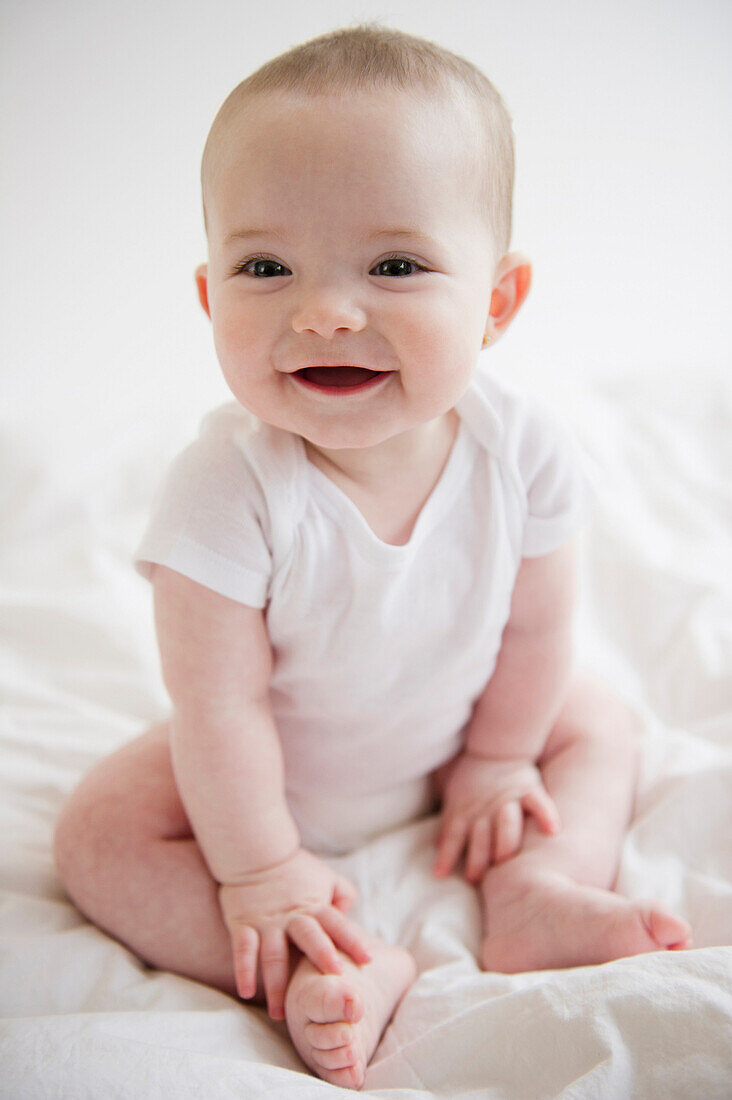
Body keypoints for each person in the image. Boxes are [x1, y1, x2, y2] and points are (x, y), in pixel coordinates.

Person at [53, 25, 692, 1090]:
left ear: (495, 303)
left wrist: (498, 757)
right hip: (275, 777)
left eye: (395, 264)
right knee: (97, 835)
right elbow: (221, 710)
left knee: (598, 721)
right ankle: (323, 958)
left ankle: (537, 890)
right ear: (213, 297)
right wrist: (262, 870)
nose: (324, 310)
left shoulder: (518, 444)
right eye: (266, 265)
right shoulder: (227, 489)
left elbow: (536, 626)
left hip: (457, 739)